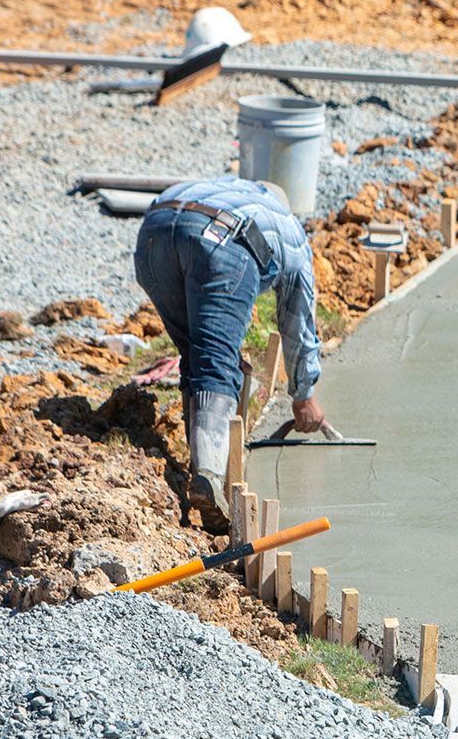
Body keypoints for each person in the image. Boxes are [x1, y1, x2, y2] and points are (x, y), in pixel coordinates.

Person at [133, 177, 324, 528]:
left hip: (154, 234)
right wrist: (304, 394)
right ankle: (208, 475)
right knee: (216, 364)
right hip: (221, 239)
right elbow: (298, 320)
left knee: (197, 352)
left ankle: (201, 465)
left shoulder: (233, 190)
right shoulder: (288, 227)